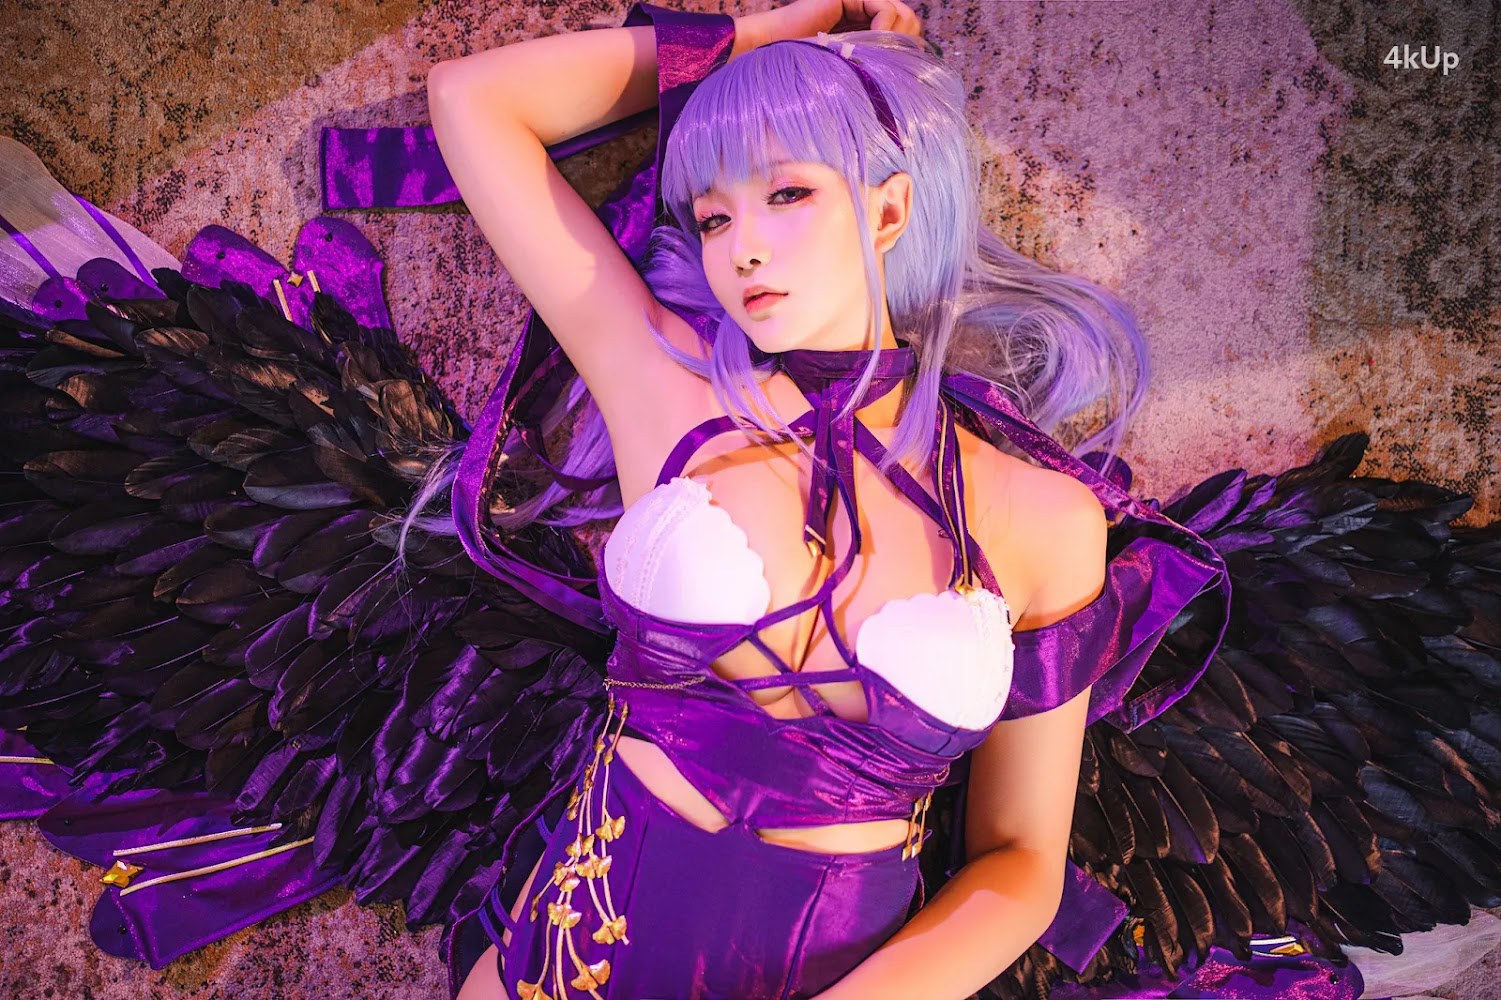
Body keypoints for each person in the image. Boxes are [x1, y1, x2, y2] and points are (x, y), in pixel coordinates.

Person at [0, 2, 1497, 999]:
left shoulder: (1046, 520)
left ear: (890, 206)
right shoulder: (664, 389)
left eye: (787, 194)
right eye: (711, 214)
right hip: (564, 960)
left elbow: (1019, 868)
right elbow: (476, 104)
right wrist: (767, 33)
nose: (741, 250)